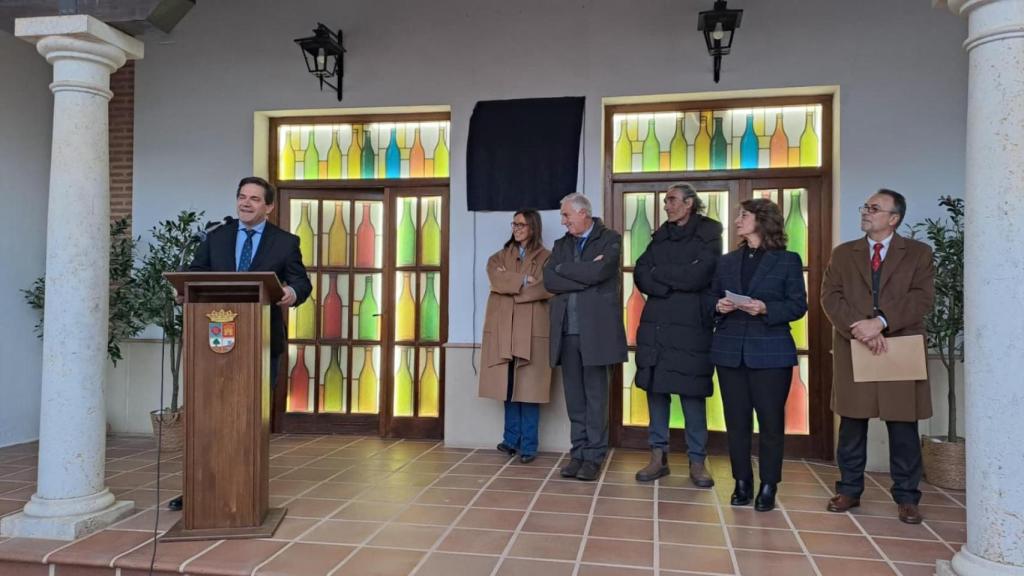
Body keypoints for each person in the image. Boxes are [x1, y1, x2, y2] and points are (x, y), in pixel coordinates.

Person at [169, 176, 312, 511]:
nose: (246, 204)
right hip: (212, 346)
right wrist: (182, 291)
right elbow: (196, 274)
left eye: (254, 199)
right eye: (241, 197)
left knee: (250, 419)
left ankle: (246, 490)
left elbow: (300, 281)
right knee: (209, 419)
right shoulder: (215, 237)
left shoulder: (285, 242)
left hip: (262, 345)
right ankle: (201, 490)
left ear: (269, 207)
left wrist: (292, 292)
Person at [821, 189, 934, 524]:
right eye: (866, 207)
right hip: (854, 344)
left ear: (894, 218)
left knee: (903, 426)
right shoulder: (843, 254)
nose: (866, 212)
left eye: (875, 208)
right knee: (852, 425)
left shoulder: (918, 253)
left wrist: (880, 323)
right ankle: (849, 490)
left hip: (899, 347)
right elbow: (831, 296)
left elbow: (922, 298)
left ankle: (907, 497)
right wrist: (859, 329)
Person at [710, 198, 807, 512]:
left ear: (762, 221)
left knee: (770, 423)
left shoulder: (788, 260)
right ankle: (742, 482)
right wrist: (718, 306)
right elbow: (709, 300)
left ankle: (768, 485)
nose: (738, 220)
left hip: (771, 353)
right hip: (729, 352)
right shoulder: (726, 261)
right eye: (738, 215)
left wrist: (765, 307)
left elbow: (797, 306)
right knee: (735, 423)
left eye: (744, 215)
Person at [632, 183, 722, 487]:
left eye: (671, 200)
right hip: (656, 324)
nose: (667, 205)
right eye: (666, 200)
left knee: (692, 394)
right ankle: (658, 457)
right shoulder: (660, 235)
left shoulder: (710, 234)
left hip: (692, 325)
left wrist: (663, 277)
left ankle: (697, 461)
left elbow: (700, 274)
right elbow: (642, 272)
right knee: (656, 390)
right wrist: (672, 280)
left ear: (689, 204)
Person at [544, 193, 627, 481]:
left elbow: (600, 272)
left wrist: (566, 271)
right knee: (575, 399)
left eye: (566, 215)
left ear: (583, 214)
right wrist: (581, 273)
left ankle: (594, 455)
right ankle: (577, 452)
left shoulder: (610, 239)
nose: (563, 221)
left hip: (598, 334)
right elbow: (549, 280)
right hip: (567, 332)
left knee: (596, 398)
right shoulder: (560, 244)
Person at [479, 210, 553, 463]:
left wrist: (509, 290)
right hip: (504, 329)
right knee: (507, 386)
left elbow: (546, 287)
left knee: (529, 390)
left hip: (531, 333)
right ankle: (510, 440)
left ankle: (529, 446)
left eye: (521, 224)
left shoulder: (546, 257)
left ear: (533, 227)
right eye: (514, 223)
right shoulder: (500, 256)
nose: (516, 228)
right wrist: (522, 279)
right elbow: (494, 275)